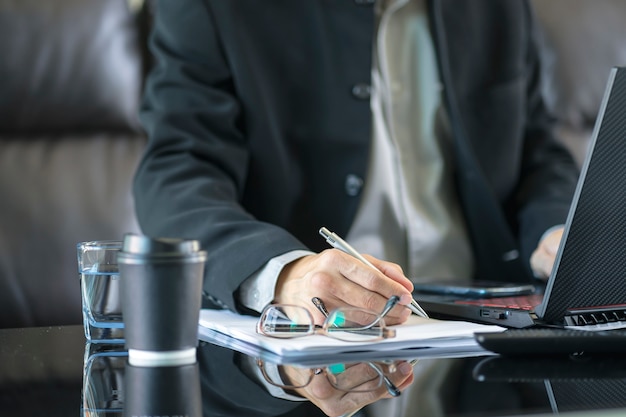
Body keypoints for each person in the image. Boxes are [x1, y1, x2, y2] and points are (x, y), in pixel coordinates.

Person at [134, 0, 579, 415]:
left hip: (489, 354)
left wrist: (560, 232)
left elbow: (537, 152)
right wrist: (285, 274)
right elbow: (177, 173)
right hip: (322, 355)